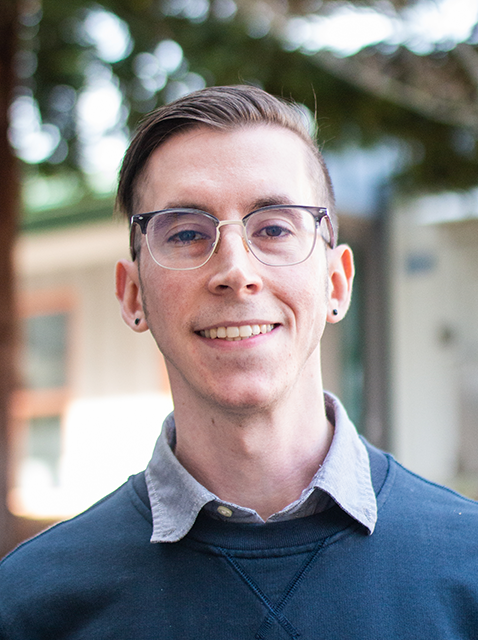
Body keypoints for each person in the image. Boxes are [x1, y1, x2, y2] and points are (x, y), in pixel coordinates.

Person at [1, 85, 478, 639]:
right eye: (185, 232)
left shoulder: (467, 568)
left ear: (336, 283)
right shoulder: (32, 604)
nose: (235, 269)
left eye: (274, 228)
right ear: (134, 296)